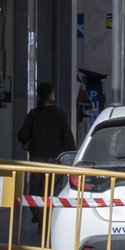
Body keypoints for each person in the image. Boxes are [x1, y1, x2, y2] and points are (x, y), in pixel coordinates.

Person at [18, 82, 79, 225]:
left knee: (36, 190)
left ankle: (37, 213)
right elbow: (67, 138)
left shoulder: (34, 114)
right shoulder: (60, 114)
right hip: (55, 161)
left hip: (37, 160)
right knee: (52, 191)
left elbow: (22, 135)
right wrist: (72, 158)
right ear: (51, 95)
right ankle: (47, 220)